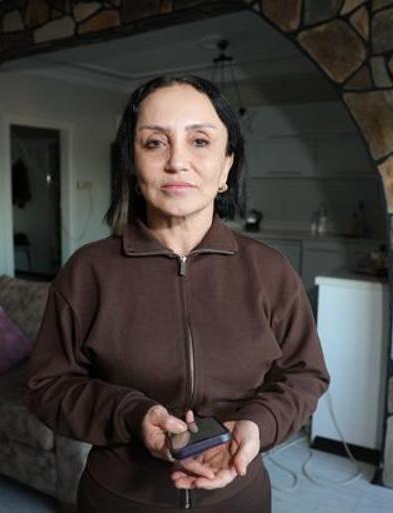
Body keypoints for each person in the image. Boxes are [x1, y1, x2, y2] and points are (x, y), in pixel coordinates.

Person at [27, 75, 329, 512]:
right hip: (118, 500)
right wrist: (132, 415)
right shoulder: (87, 273)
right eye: (155, 143)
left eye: (200, 141)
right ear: (132, 163)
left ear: (227, 165)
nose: (177, 162)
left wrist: (257, 425)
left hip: (239, 498)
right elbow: (47, 387)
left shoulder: (270, 271)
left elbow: (305, 375)